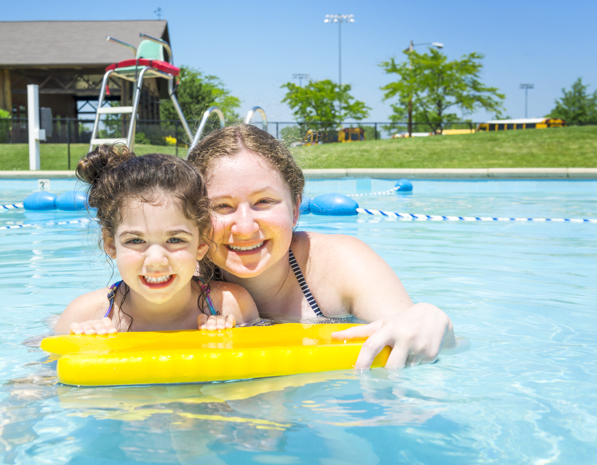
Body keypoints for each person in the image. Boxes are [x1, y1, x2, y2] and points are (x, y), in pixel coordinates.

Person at [187, 125, 456, 369]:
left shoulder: (339, 263)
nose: (245, 227)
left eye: (264, 201)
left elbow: (414, 335)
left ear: (295, 209)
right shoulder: (182, 274)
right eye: (221, 206)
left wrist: (428, 319)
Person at [54, 145, 258, 335]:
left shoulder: (231, 307)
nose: (156, 260)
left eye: (175, 240)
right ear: (110, 243)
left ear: (202, 242)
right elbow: (43, 372)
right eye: (135, 241)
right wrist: (83, 348)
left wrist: (230, 339)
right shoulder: (84, 315)